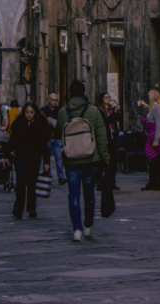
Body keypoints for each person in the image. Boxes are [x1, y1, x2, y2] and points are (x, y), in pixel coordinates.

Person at [55, 78, 109, 242]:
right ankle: (88, 224)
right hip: (90, 158)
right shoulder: (93, 111)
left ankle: (76, 228)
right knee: (89, 193)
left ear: (70, 94)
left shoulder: (63, 112)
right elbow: (101, 137)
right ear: (84, 93)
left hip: (71, 161)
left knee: (74, 195)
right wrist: (105, 158)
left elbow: (58, 136)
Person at [7, 102, 50, 219]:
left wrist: (46, 161)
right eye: (27, 112)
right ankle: (18, 208)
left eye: (31, 113)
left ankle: (31, 208)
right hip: (20, 157)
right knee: (21, 183)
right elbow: (13, 139)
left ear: (35, 113)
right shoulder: (19, 123)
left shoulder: (40, 124)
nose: (29, 115)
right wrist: (8, 153)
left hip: (34, 158)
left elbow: (43, 144)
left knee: (31, 184)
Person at [138, 90, 160, 191]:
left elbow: (159, 124)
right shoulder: (156, 108)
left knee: (157, 161)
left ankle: (159, 183)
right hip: (153, 136)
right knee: (153, 161)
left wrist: (156, 140)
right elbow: (152, 112)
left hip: (156, 137)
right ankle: (153, 182)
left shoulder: (157, 108)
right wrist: (145, 106)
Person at [96, 91, 121, 191]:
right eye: (106, 97)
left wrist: (116, 110)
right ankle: (101, 182)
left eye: (109, 97)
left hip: (113, 136)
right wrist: (114, 113)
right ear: (102, 99)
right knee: (105, 161)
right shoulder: (100, 110)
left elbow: (118, 118)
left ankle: (112, 182)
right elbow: (106, 122)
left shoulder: (110, 109)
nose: (108, 99)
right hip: (105, 137)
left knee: (114, 161)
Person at [41, 92, 66, 185]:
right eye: (53, 100)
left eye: (56, 100)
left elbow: (59, 124)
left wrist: (50, 120)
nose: (55, 102)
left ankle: (61, 177)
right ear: (49, 100)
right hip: (47, 138)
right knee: (46, 158)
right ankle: (48, 175)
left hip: (57, 137)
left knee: (59, 158)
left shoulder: (60, 111)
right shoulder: (43, 110)